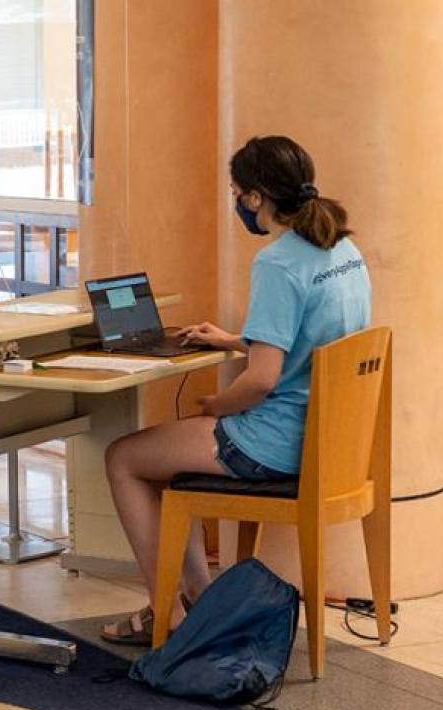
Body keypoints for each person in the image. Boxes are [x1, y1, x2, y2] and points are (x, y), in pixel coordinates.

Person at [99, 135, 371, 644]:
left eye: (236, 192)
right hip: (327, 440)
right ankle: (199, 602)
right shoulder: (343, 248)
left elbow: (263, 381)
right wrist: (233, 340)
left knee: (124, 458)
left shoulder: (278, 261)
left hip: (278, 443)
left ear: (254, 197)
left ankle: (168, 614)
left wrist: (216, 406)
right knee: (168, 459)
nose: (236, 203)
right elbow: (309, 344)